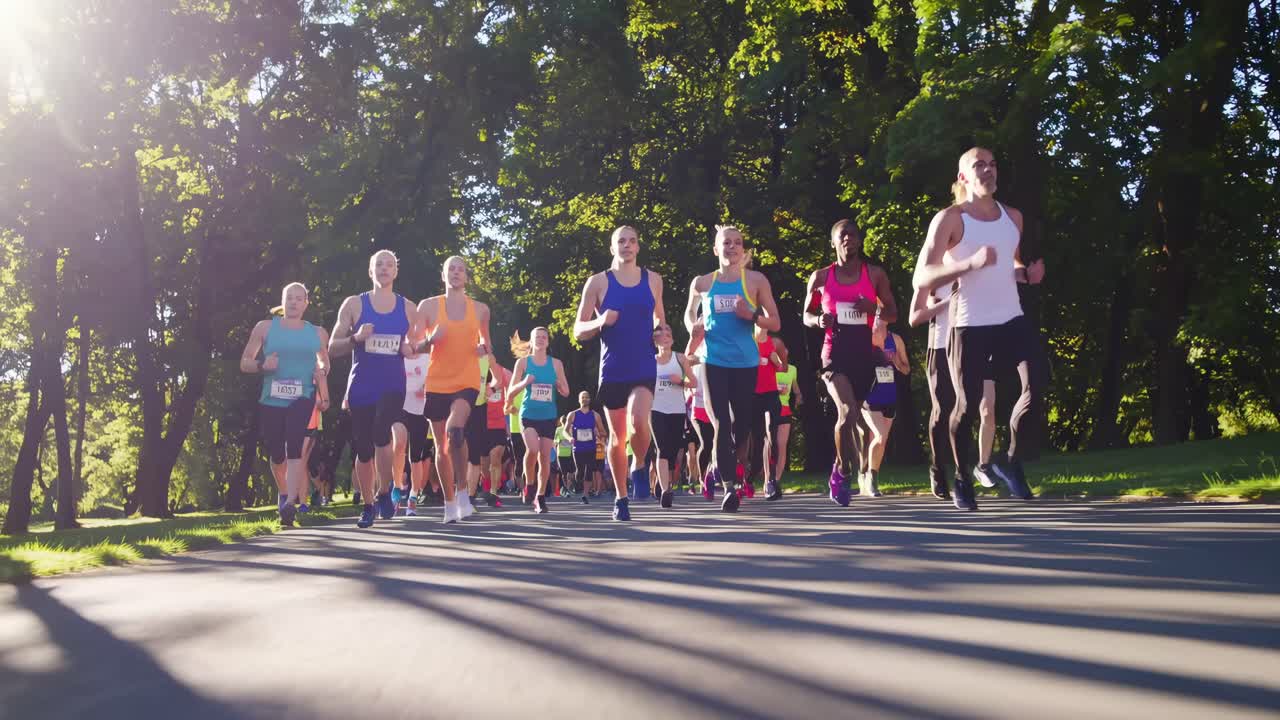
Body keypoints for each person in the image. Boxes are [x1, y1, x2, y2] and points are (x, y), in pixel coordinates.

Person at [912, 146, 1043, 510]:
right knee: (967, 407)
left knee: (1036, 387)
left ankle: (1009, 461)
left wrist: (1026, 275)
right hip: (969, 323)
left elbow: (1011, 266)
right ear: (964, 178)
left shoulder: (1012, 217)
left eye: (992, 164)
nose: (988, 170)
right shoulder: (951, 220)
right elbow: (921, 277)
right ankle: (961, 477)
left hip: (1010, 319)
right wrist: (968, 264)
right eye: (978, 165)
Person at [683, 225, 782, 512]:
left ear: (743, 250)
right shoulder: (702, 283)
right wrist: (694, 328)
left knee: (742, 426)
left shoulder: (755, 281)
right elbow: (690, 313)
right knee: (720, 425)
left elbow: (775, 322)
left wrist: (750, 315)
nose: (732, 247)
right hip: (714, 361)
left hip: (746, 362)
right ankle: (729, 487)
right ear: (716, 249)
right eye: (726, 243)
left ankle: (726, 466)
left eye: (738, 243)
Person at [802, 220, 898, 506]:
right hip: (833, 355)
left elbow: (893, 312)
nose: (848, 239)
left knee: (854, 415)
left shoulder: (875, 275)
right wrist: (818, 320)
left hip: (864, 355)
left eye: (853, 235)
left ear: (860, 241)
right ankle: (842, 473)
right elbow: (805, 315)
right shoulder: (820, 277)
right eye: (842, 236)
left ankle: (839, 466)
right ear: (833, 243)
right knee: (847, 412)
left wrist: (876, 309)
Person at [573, 225, 665, 521]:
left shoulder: (653, 280)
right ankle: (622, 498)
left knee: (639, 421)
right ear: (612, 248)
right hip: (612, 368)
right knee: (617, 436)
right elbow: (578, 330)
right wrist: (600, 321)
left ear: (638, 247)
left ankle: (639, 461)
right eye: (621, 241)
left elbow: (659, 318)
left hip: (643, 364)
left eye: (632, 241)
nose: (627, 245)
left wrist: (661, 333)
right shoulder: (598, 283)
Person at [329, 250, 418, 528]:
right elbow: (332, 346)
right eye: (378, 264)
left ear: (396, 271)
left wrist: (410, 347)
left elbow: (417, 345)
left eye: (389, 264)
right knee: (364, 448)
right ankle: (369, 505)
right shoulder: (354, 304)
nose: (384, 268)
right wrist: (356, 337)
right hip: (362, 385)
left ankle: (384, 492)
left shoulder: (408, 308)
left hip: (392, 383)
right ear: (371, 272)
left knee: (382, 430)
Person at [415, 255, 498, 523]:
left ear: (466, 277)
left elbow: (488, 344)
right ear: (443, 275)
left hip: (467, 379)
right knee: (441, 446)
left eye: (461, 269)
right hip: (437, 380)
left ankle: (464, 492)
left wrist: (483, 348)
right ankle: (450, 503)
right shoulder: (427, 307)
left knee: (455, 429)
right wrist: (430, 339)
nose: (456, 273)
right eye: (451, 269)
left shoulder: (481, 309)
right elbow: (412, 346)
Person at [240, 283, 330, 527]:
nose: (293, 302)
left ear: (306, 303)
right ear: (283, 301)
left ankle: (290, 503)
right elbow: (245, 362)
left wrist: (320, 373)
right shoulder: (266, 328)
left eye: (299, 298)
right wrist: (262, 365)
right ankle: (283, 491)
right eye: (289, 298)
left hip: (303, 396)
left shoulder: (318, 333)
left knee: (295, 444)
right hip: (271, 398)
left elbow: (325, 362)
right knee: (276, 452)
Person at [506, 327, 571, 513]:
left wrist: (559, 386)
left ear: (548, 342)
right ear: (532, 341)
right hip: (528, 415)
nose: (541, 340)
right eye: (537, 337)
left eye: (544, 337)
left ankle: (540, 497)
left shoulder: (556, 364)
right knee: (532, 449)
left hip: (549, 416)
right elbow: (510, 392)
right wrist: (525, 382)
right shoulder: (523, 363)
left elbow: (566, 391)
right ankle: (530, 484)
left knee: (544, 457)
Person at [857, 323, 909, 496]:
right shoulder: (865, 337)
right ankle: (870, 479)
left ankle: (867, 474)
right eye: (876, 313)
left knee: (882, 441)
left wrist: (895, 361)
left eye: (882, 314)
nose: (879, 318)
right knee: (880, 436)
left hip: (889, 396)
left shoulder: (896, 340)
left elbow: (907, 369)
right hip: (870, 397)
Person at [651, 323, 698, 508]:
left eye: (669, 333)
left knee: (671, 452)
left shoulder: (680, 358)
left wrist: (681, 382)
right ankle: (665, 491)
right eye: (662, 334)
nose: (666, 336)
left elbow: (693, 383)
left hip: (677, 411)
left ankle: (663, 483)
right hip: (656, 410)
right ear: (656, 341)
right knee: (662, 449)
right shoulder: (650, 360)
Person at [390, 351, 431, 517]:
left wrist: (426, 387)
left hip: (420, 411)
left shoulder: (429, 357)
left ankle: (413, 496)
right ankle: (397, 487)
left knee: (416, 457)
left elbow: (438, 378)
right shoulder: (398, 354)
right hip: (399, 406)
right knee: (399, 442)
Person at [750, 327, 785, 498]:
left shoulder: (774, 343)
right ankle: (748, 478)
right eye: (759, 322)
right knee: (757, 440)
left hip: (771, 394)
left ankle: (771, 481)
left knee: (772, 436)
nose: (763, 325)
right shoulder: (748, 342)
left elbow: (783, 367)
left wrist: (777, 362)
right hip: (753, 396)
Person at [769, 337, 803, 501]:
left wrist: (798, 397)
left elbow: (796, 388)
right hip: (769, 409)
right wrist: (776, 390)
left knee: (781, 445)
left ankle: (776, 480)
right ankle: (768, 478)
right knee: (769, 444)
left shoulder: (792, 370)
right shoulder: (769, 368)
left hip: (784, 410)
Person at [564, 392, 605, 504]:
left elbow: (603, 432)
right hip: (578, 448)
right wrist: (569, 438)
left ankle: (585, 495)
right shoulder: (573, 414)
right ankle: (572, 481)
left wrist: (598, 433)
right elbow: (565, 431)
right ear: (579, 400)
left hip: (591, 447)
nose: (585, 399)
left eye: (587, 397)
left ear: (589, 399)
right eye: (583, 397)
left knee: (589, 470)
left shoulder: (595, 415)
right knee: (580, 472)